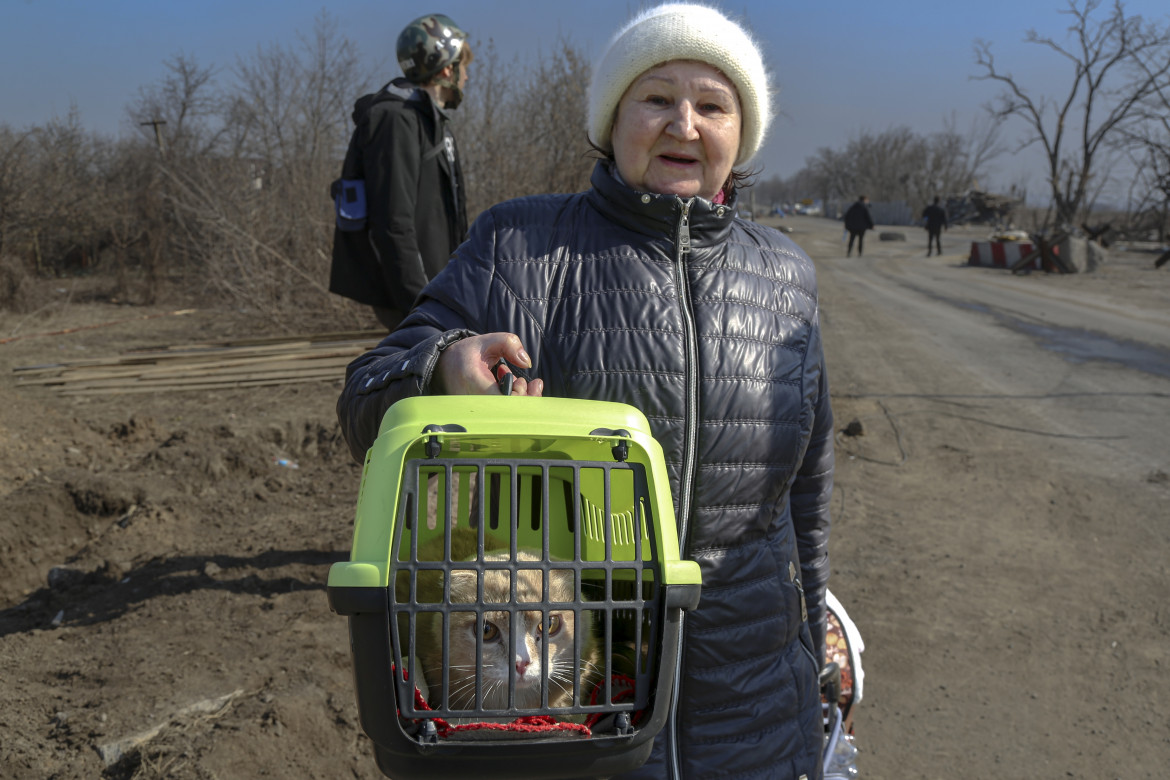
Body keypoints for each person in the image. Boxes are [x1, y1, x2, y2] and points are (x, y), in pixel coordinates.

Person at [336, 4, 833, 778]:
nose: (685, 125)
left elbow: (809, 481)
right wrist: (440, 369)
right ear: (612, 119)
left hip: (755, 705)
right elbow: (366, 396)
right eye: (657, 98)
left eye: (713, 105)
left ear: (744, 132)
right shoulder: (523, 247)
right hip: (563, 708)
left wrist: (816, 623)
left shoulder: (786, 277)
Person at [328, 14, 471, 331]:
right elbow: (394, 224)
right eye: (464, 65)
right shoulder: (397, 120)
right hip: (418, 297)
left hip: (440, 289)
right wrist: (423, 306)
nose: (467, 76)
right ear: (446, 68)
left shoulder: (431, 122)